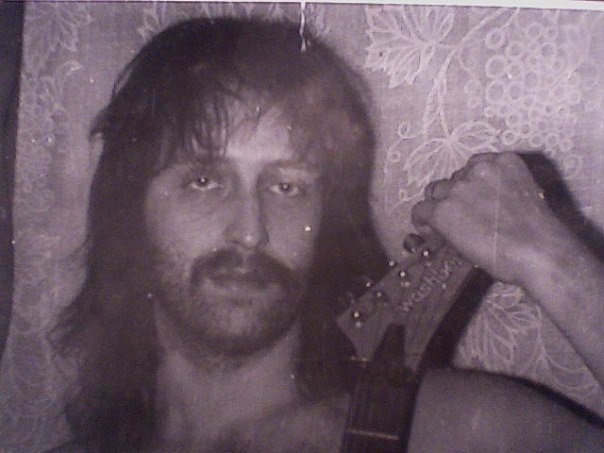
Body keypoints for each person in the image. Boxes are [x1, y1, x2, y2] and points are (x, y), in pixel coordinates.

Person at [53, 17, 604, 452]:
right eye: (204, 180)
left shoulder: (458, 429)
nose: (250, 232)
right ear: (129, 212)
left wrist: (554, 261)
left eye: (287, 186)